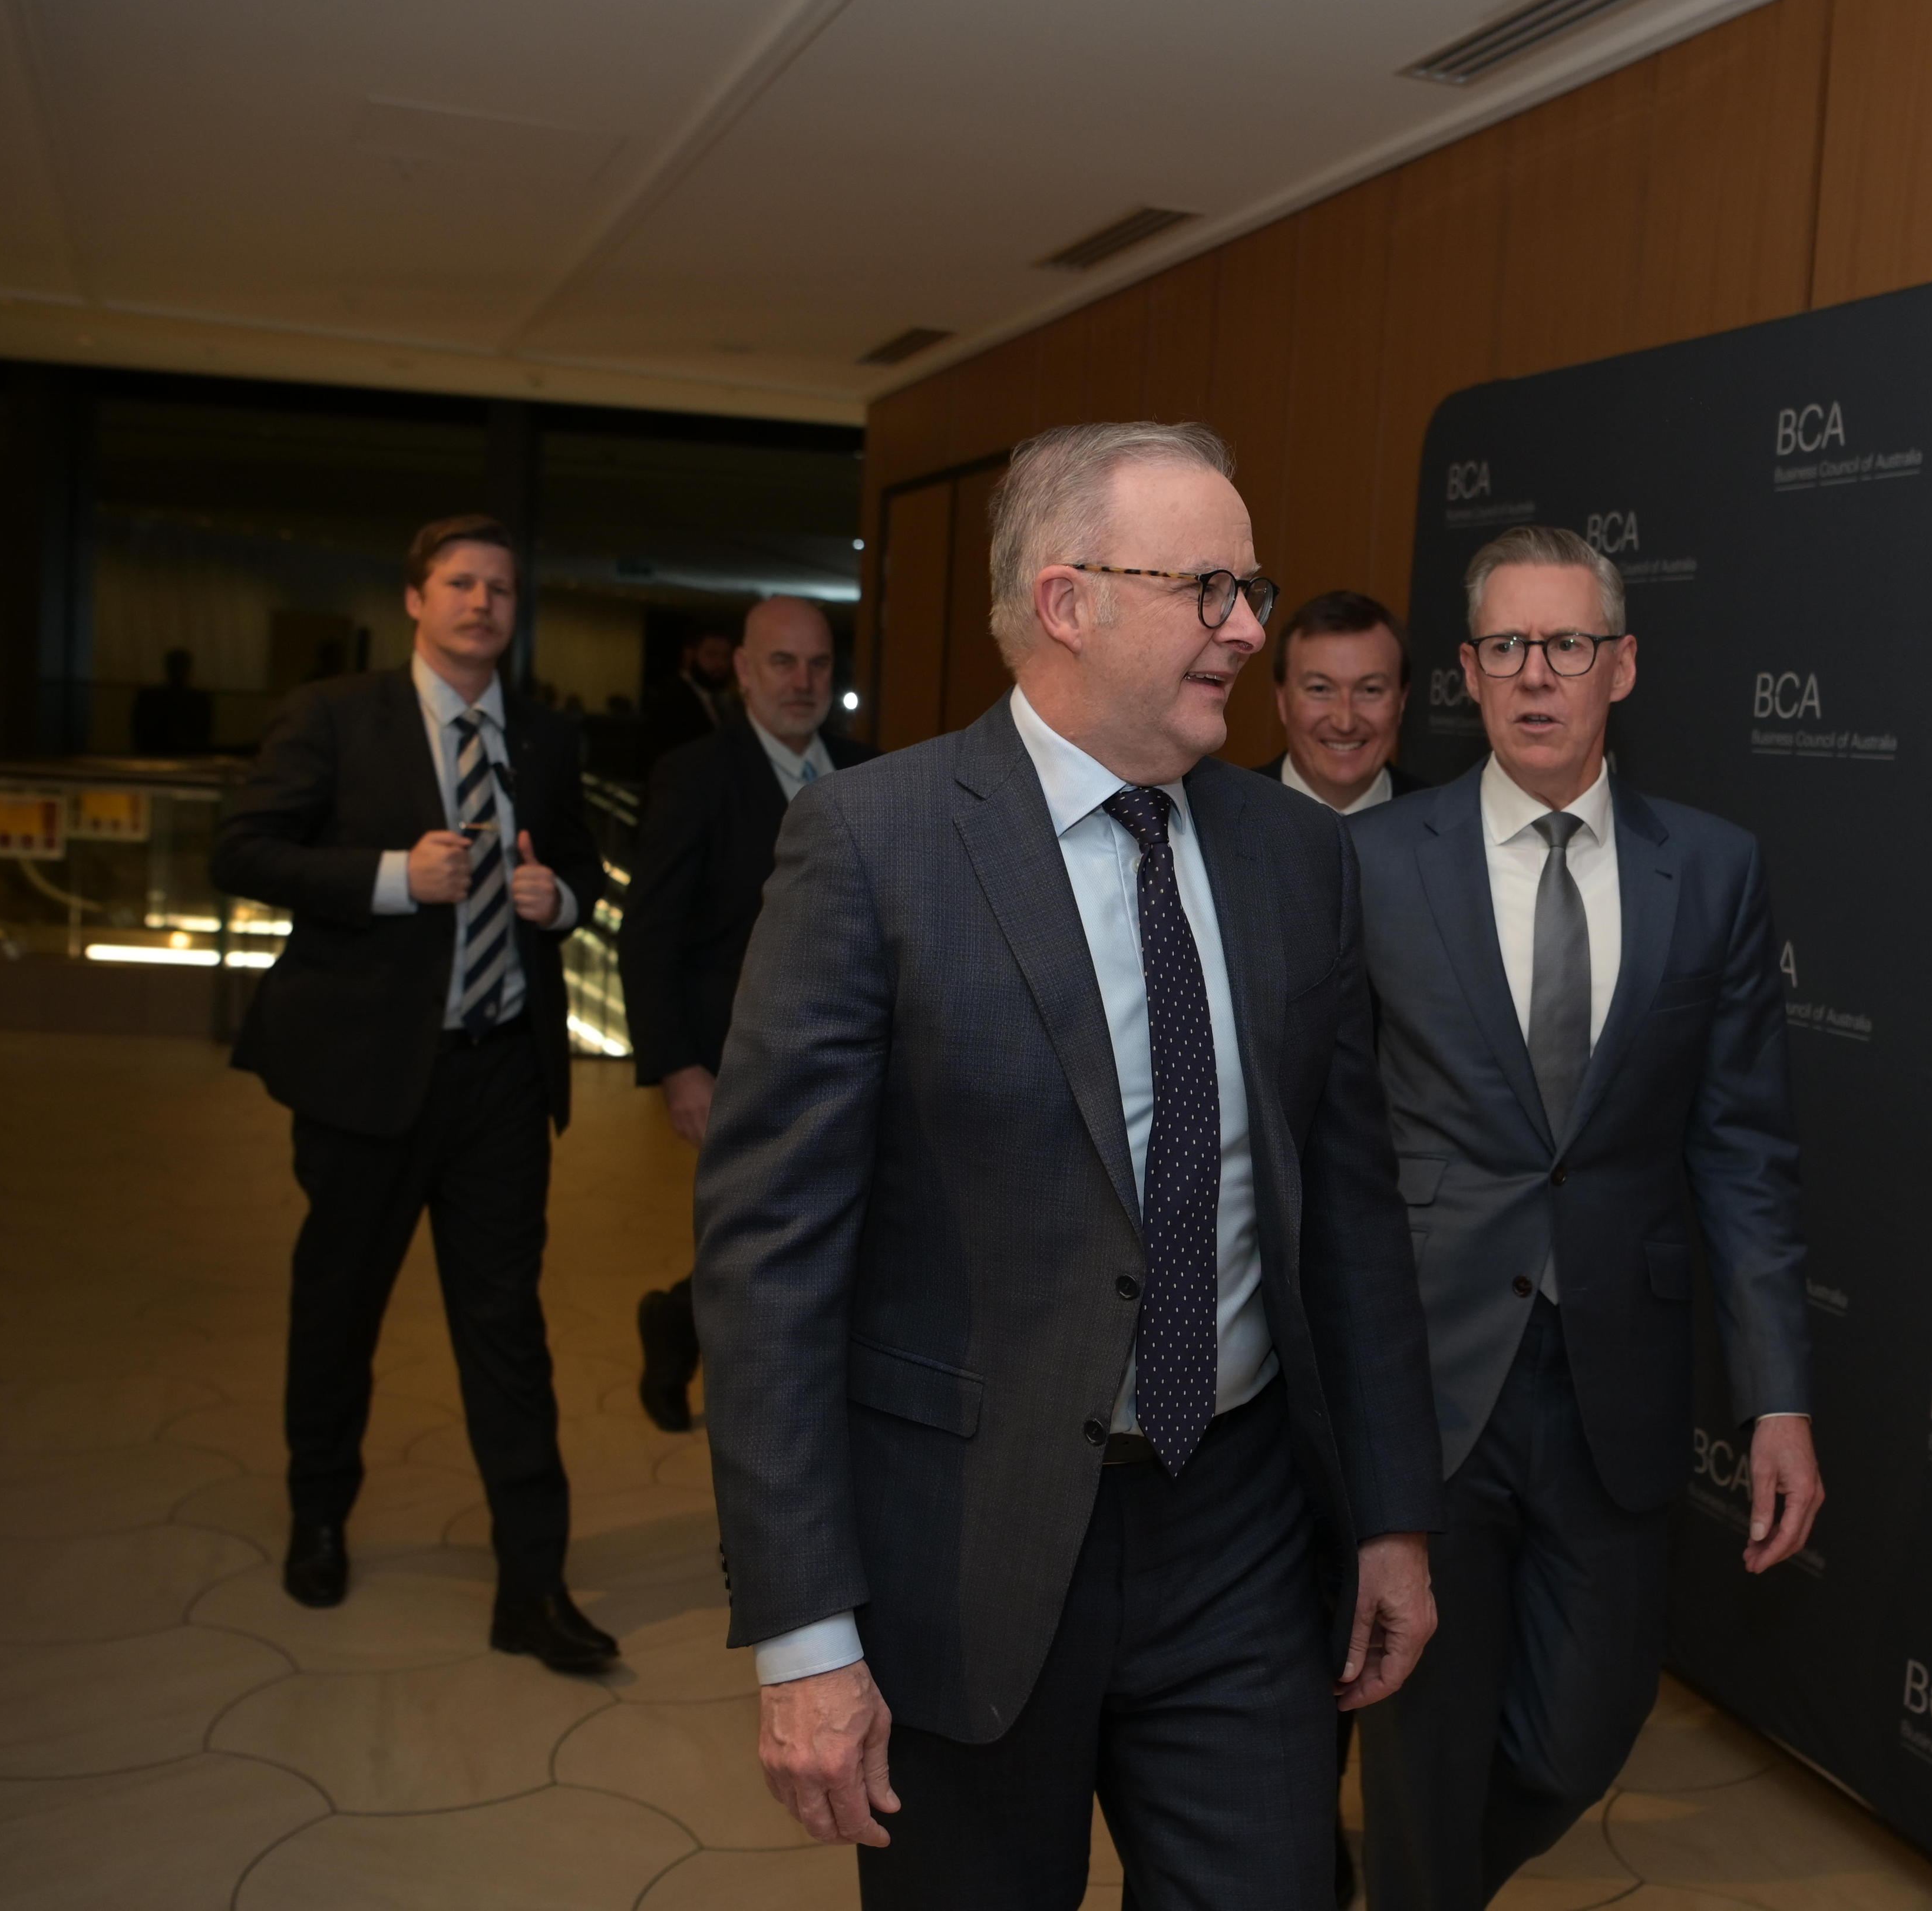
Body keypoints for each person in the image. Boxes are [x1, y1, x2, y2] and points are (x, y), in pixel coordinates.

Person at [695, 421, 1445, 1907]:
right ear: (1067, 601)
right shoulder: (874, 845)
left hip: (1240, 1527)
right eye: (1209, 588)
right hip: (965, 1551)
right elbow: (769, 1265)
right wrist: (804, 1634)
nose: (1248, 629)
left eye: (1250, 589)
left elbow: (1350, 1218)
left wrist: (1391, 1513)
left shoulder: (1296, 858)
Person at [1348, 524, 1825, 1909]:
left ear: (1620, 666)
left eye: (1565, 644)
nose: (1534, 674)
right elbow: (1329, 1135)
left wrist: (1778, 1395)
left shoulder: (1712, 869)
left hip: (1616, 1373)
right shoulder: (1375, 862)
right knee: (1422, 1742)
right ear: (1466, 671)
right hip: (1429, 1375)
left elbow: (1743, 1148)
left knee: (1583, 1731)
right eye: (1506, 646)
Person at [210, 514, 620, 1676]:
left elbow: (582, 866)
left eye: (502, 587)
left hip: (501, 1073)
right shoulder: (337, 716)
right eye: (460, 583)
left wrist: (560, 902)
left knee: (507, 1331)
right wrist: (394, 877)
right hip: (366, 1076)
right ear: (414, 598)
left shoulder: (543, 735)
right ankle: (319, 1517)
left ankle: (532, 1585)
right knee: (339, 1310)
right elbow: (242, 851)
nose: (482, 603)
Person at [620, 593, 876, 1431]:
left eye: (818, 664)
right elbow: (650, 928)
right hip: (740, 1060)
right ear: (742, 670)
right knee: (768, 1239)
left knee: (821, 1233)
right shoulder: (695, 774)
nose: (802, 681)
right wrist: (677, 1068)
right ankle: (751, 1398)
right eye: (782, 662)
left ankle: (685, 1321)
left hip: (862, 1054)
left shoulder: (870, 773)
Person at [1253, 589, 1424, 813]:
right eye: (1320, 689)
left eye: (1370, 690)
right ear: (1282, 699)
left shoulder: (1448, 823)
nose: (1345, 723)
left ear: (1401, 701)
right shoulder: (1221, 816)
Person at [644, 618, 738, 764]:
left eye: (726, 656)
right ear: (690, 655)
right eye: (712, 655)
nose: (720, 664)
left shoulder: (723, 700)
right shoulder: (670, 699)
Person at [131, 647, 215, 755]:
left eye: (181, 666)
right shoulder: (199, 699)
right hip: (172, 755)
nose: (179, 671)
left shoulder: (149, 697)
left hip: (161, 755)